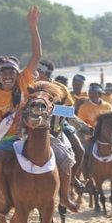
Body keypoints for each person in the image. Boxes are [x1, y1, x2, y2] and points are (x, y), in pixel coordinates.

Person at [0, 5, 44, 206]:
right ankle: (6, 199)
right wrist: (14, 118)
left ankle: (63, 195)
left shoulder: (24, 80)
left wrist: (33, 27)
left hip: (34, 130)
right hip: (9, 137)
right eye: (4, 72)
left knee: (65, 152)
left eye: (11, 72)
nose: (8, 75)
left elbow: (36, 57)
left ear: (17, 73)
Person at [37, 59, 86, 209]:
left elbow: (69, 112)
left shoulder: (61, 88)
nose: (36, 74)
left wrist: (83, 126)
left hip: (58, 128)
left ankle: (71, 183)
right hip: (33, 130)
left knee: (79, 150)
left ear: (46, 73)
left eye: (38, 72)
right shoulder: (30, 86)